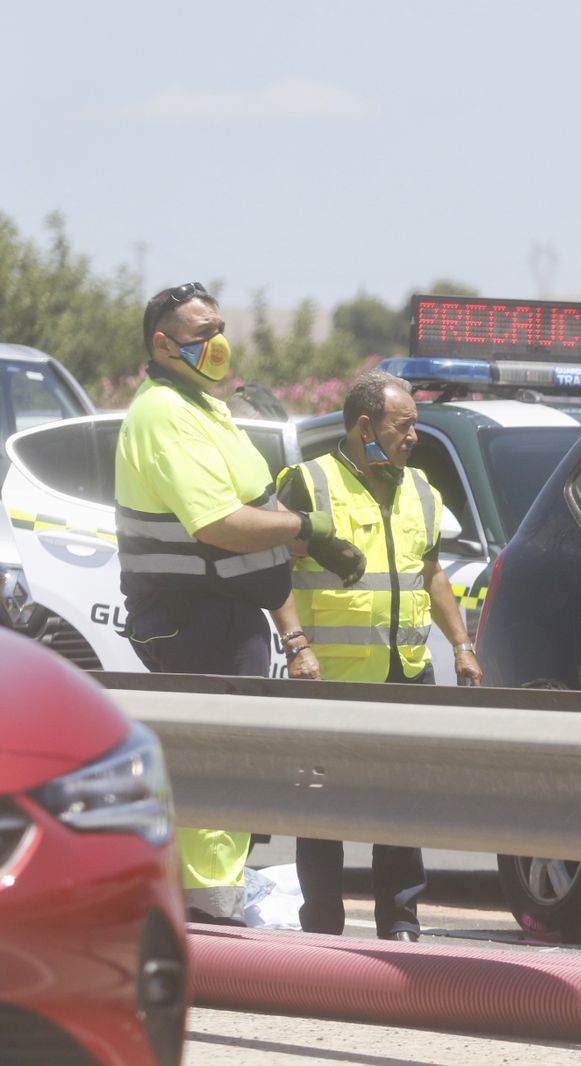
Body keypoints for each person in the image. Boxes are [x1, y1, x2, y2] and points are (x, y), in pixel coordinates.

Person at [115, 282, 364, 924]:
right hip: (190, 620)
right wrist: (308, 528)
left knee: (230, 767)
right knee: (213, 767)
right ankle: (206, 917)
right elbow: (220, 525)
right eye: (203, 334)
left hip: (228, 619)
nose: (218, 343)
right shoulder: (165, 413)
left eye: (220, 328)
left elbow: (260, 517)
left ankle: (212, 905)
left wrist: (295, 614)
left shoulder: (208, 408)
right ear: (163, 345)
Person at [276, 368, 484, 942]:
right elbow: (274, 571)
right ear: (365, 427)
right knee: (323, 811)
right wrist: (296, 645)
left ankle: (401, 922)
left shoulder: (421, 488)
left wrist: (462, 645)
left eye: (415, 425)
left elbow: (432, 572)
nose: (413, 436)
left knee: (400, 805)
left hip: (406, 673)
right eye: (402, 426)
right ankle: (323, 927)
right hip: (329, 678)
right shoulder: (309, 483)